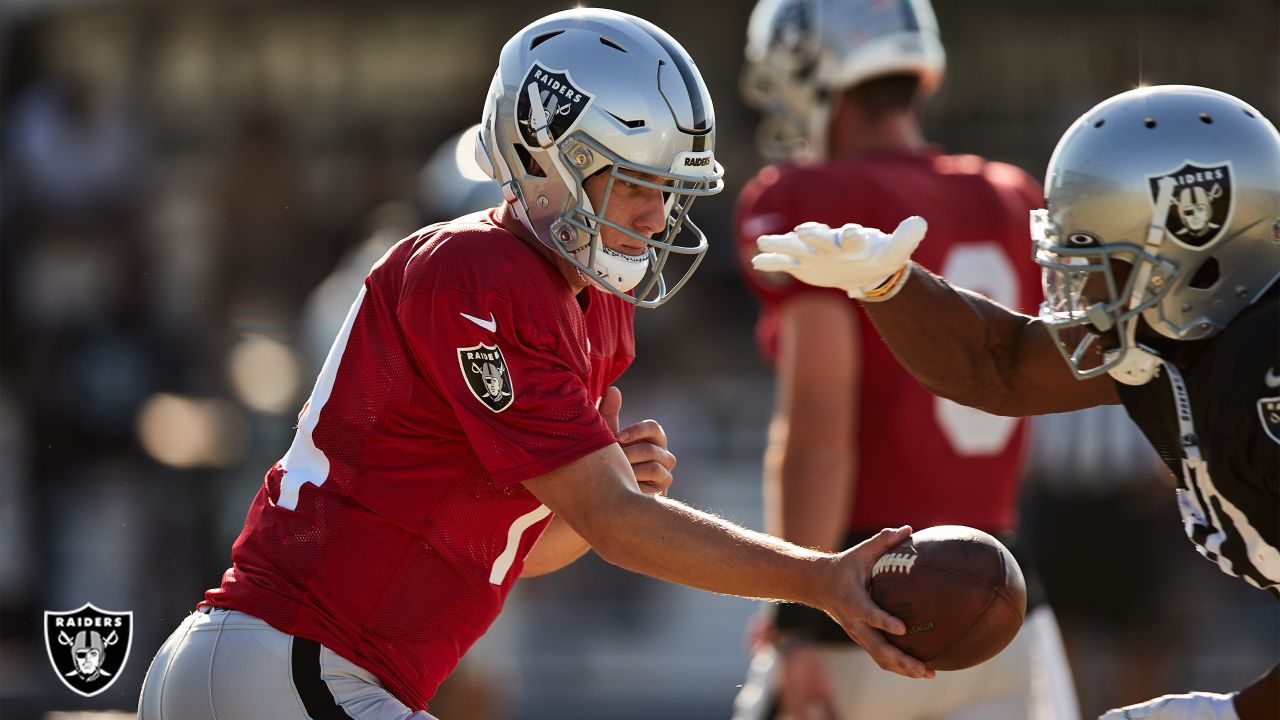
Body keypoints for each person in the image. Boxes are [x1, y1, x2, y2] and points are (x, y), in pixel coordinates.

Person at [136, 9, 932, 720]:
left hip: (304, 672)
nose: (658, 216)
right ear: (552, 164)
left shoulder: (592, 305)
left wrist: (593, 501)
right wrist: (817, 578)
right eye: (636, 186)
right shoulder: (478, 272)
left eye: (669, 191)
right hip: (289, 666)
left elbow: (516, 550)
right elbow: (618, 526)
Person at [751, 83, 1279, 720]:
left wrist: (1240, 713)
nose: (1078, 286)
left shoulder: (1260, 371)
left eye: (1101, 257)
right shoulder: (1189, 331)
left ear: (1196, 240)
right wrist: (889, 285)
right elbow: (999, 367)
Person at [730, 1, 1077, 719]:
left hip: (867, 601)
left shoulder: (814, 194)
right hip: (1008, 602)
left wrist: (797, 619)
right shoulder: (1012, 195)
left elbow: (819, 434)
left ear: (811, 69)